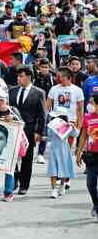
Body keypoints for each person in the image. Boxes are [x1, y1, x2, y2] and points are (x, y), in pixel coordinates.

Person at [9, 65, 47, 195]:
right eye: (18, 76)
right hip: (13, 128)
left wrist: (39, 132)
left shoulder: (38, 92)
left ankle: (24, 185)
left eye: (21, 76)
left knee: (27, 158)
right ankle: (13, 181)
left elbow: (42, 115)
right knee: (12, 156)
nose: (19, 79)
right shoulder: (12, 91)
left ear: (29, 77)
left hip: (29, 130)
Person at [47, 66, 84, 149]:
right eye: (57, 76)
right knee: (56, 148)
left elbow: (80, 108)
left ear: (68, 77)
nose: (58, 78)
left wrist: (79, 124)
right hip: (56, 122)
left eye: (60, 76)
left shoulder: (77, 90)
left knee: (67, 149)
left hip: (71, 122)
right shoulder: (54, 89)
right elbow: (48, 106)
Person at [46, 107, 79, 199]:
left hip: (64, 149)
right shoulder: (51, 124)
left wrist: (73, 127)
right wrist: (54, 127)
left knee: (64, 169)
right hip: (53, 149)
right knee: (53, 170)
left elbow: (75, 134)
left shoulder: (67, 126)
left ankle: (62, 185)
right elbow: (49, 135)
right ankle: (53, 190)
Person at [76, 93, 98, 221]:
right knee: (90, 184)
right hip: (91, 156)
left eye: (92, 103)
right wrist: (78, 153)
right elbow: (83, 136)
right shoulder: (87, 117)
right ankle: (96, 203)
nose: (89, 105)